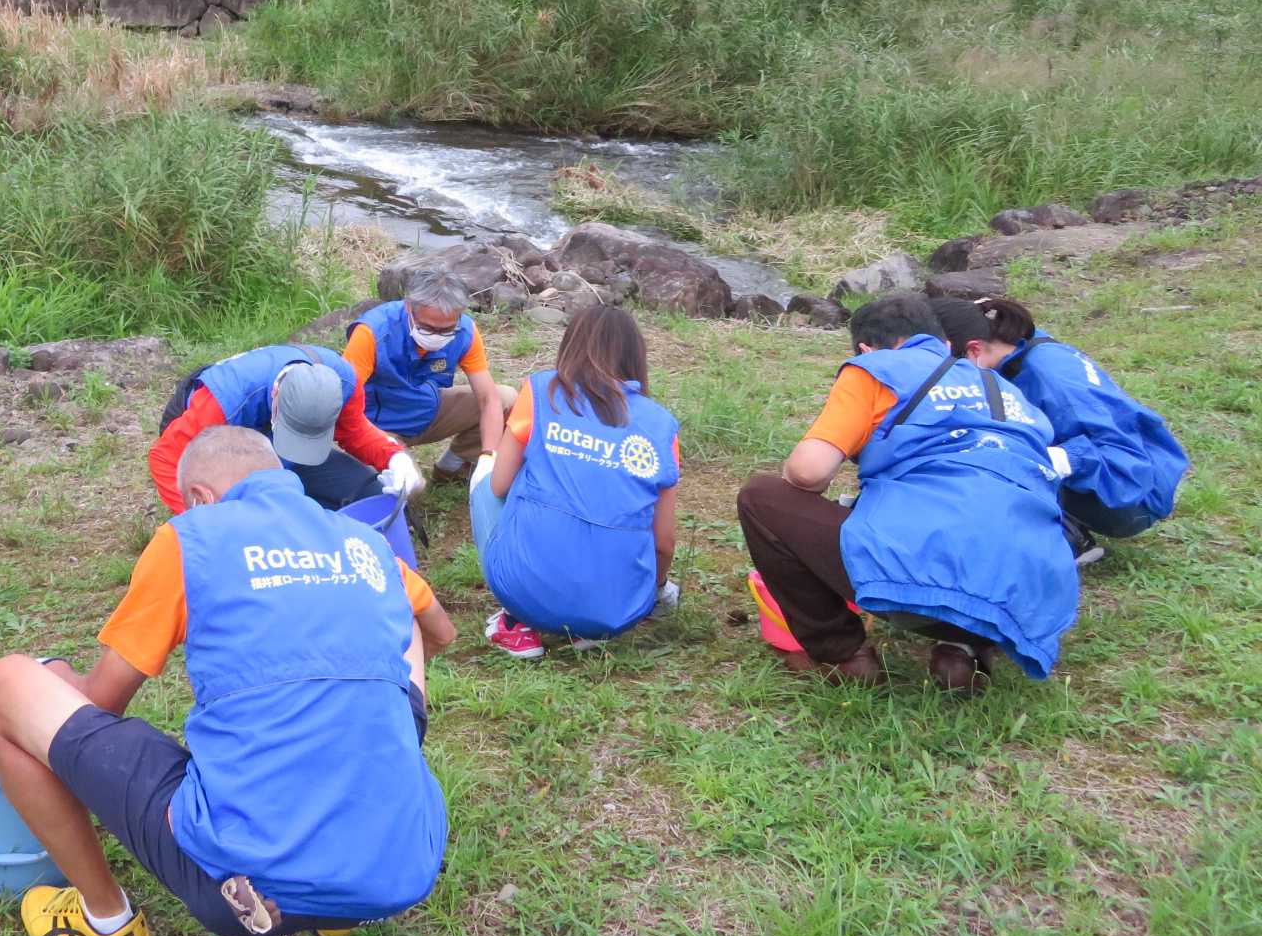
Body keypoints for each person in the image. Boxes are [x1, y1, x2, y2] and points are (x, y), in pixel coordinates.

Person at [0, 426, 450, 936]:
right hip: (402, 869)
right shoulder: (365, 543)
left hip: (246, 894)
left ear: (199, 496)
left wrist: (57, 676)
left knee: (6, 684)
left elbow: (102, 704)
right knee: (403, 633)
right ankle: (344, 896)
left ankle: (106, 925)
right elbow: (439, 632)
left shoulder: (193, 536)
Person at [736, 294, 1078, 693]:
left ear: (867, 348)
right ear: (946, 344)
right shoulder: (1005, 389)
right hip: (1028, 595)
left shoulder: (876, 369)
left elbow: (807, 473)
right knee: (989, 516)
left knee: (762, 497)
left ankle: (843, 656)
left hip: (926, 581)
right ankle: (963, 652)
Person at [470, 306, 680, 659]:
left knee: (484, 478)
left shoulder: (541, 391)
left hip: (525, 590)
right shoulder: (662, 425)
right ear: (636, 356)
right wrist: (656, 589)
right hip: (616, 610)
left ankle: (515, 622)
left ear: (571, 345)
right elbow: (664, 542)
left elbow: (500, 486)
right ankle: (588, 625)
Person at [934, 297, 1187, 564]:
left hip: (1131, 497)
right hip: (1115, 475)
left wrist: (1031, 459)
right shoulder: (1013, 348)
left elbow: (1126, 463)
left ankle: (1065, 537)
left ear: (973, 350)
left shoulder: (1053, 378)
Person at [148, 344, 421, 512]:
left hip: (278, 454)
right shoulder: (224, 401)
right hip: (223, 448)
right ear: (276, 394)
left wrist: (394, 457)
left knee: (369, 493)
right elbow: (165, 459)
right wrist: (202, 523)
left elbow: (356, 431)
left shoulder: (342, 381)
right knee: (245, 516)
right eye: (293, 431)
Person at [344, 270, 516, 484]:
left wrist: (489, 457)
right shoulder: (372, 333)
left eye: (446, 330)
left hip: (425, 410)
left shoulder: (465, 331)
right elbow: (345, 404)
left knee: (506, 398)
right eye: (428, 328)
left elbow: (488, 399)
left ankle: (454, 465)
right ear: (408, 306)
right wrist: (383, 446)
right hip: (378, 424)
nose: (436, 336)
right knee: (411, 486)